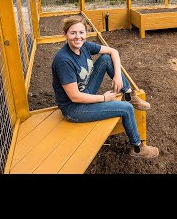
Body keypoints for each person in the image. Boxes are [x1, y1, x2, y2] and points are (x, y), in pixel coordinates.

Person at [51, 15, 159, 159]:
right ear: (65, 34)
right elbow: (74, 97)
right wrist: (104, 98)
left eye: (81, 32)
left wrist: (118, 76)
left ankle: (128, 95)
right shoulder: (63, 60)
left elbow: (113, 51)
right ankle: (138, 148)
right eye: (73, 33)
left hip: (85, 91)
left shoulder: (84, 46)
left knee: (106, 59)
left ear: (86, 33)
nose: (78, 37)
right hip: (74, 108)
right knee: (126, 109)